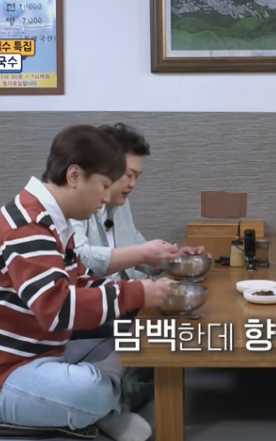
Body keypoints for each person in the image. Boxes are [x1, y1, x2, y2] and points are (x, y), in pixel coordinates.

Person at [0, 124, 176, 441]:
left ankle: (100, 405)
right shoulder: (27, 225)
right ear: (74, 175)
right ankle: (107, 405)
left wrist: (139, 293)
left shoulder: (52, 220)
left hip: (45, 351)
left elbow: (77, 280)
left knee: (136, 343)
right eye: (104, 185)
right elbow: (56, 309)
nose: (105, 198)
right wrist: (136, 293)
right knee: (92, 390)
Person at [70, 123, 207, 340]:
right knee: (180, 335)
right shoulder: (74, 206)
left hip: (126, 302)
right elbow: (79, 258)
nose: (133, 184)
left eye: (137, 177)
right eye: (128, 175)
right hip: (96, 314)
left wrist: (171, 258)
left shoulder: (121, 203)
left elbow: (137, 250)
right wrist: (143, 254)